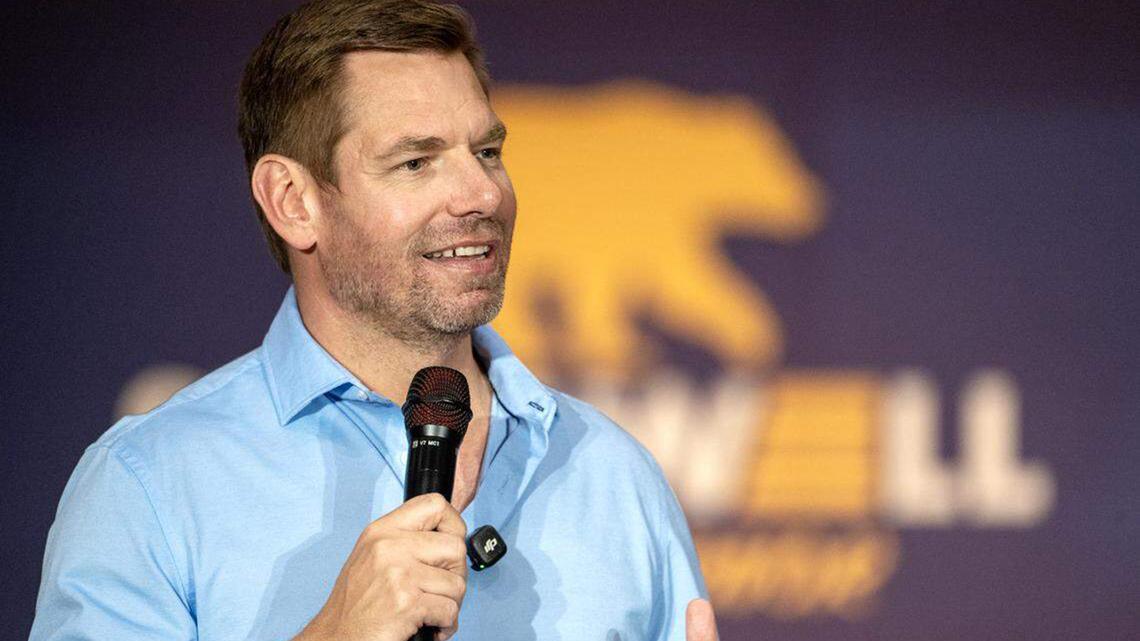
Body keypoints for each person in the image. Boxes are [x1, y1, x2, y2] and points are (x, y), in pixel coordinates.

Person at [30, 1, 717, 640]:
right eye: (415, 162)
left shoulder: (615, 474)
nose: (481, 193)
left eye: (487, 152)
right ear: (293, 201)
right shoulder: (148, 486)